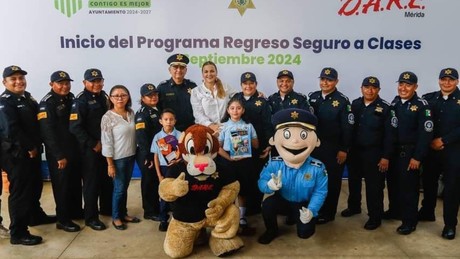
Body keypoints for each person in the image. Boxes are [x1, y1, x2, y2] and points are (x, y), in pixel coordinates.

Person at [0, 65, 54, 245]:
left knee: (34, 185)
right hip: (17, 154)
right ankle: (18, 232)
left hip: (32, 152)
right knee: (20, 192)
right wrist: (30, 146)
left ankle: (34, 215)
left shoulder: (27, 97)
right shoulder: (5, 102)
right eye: (13, 79)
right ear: (4, 82)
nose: (18, 81)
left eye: (21, 78)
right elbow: (12, 130)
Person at [257, 108, 328, 244]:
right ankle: (271, 230)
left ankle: (297, 217)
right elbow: (261, 181)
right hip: (283, 200)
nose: (295, 142)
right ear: (273, 140)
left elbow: (320, 192)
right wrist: (269, 186)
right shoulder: (274, 163)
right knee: (268, 204)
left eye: (303, 135)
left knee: (305, 234)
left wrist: (312, 210)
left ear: (316, 141)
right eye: (288, 134)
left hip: (303, 204)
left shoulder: (317, 167)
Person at [340, 76, 396, 230]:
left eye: (373, 87)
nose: (369, 90)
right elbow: (348, 128)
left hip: (375, 153)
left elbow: (390, 135)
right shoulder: (355, 104)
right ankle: (354, 207)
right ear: (361, 88)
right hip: (355, 152)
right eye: (366, 87)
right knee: (354, 182)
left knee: (374, 187)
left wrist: (386, 157)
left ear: (378, 89)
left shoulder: (385, 108)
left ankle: (375, 217)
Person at [38, 71, 83, 232]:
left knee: (75, 183)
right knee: (62, 186)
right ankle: (63, 220)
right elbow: (47, 133)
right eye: (60, 83)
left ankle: (76, 212)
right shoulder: (47, 103)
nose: (65, 86)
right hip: (59, 153)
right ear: (52, 85)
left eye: (67, 83)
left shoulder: (71, 98)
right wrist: (58, 155)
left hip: (74, 150)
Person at [308, 67, 354, 224]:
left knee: (332, 181)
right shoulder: (313, 97)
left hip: (333, 148)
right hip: (314, 148)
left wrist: (344, 149)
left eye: (329, 80)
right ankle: (315, 209)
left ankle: (328, 213)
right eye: (323, 79)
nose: (325, 82)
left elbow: (348, 128)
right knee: (314, 180)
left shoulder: (342, 101)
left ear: (336, 81)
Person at [389, 71, 433, 235]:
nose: (403, 88)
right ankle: (394, 211)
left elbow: (425, 134)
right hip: (394, 152)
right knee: (393, 185)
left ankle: (409, 221)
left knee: (409, 189)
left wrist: (417, 157)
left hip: (410, 153)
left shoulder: (422, 106)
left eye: (408, 84)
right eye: (401, 84)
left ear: (415, 87)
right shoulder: (395, 102)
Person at [69, 68, 113, 231]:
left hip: (106, 147)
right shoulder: (80, 100)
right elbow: (75, 127)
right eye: (92, 81)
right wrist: (93, 144)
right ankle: (91, 217)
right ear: (84, 83)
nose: (96, 84)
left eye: (99, 81)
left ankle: (107, 208)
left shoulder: (104, 96)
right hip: (90, 150)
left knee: (106, 180)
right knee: (91, 184)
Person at [421, 68, 460, 239]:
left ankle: (450, 225)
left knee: (452, 189)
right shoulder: (429, 98)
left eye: (451, 79)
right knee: (429, 182)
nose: (447, 82)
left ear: (457, 81)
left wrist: (444, 140)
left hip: (453, 152)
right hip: (431, 151)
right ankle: (427, 212)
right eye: (444, 79)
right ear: (439, 80)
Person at [232, 72, 273, 214]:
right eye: (245, 83)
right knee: (243, 177)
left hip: (258, 147)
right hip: (238, 147)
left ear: (256, 84)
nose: (248, 86)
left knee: (257, 177)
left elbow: (268, 124)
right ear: (241, 85)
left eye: (251, 83)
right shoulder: (235, 98)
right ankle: (241, 208)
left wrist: (268, 145)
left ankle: (255, 207)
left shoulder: (262, 102)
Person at [217, 98, 259, 235]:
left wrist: (246, 138)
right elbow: (218, 147)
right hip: (227, 160)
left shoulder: (248, 126)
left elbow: (256, 145)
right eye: (232, 108)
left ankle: (241, 217)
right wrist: (229, 158)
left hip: (245, 160)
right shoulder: (223, 126)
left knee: (243, 189)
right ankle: (227, 216)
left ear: (243, 110)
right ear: (228, 110)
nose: (235, 111)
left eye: (238, 108)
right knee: (228, 189)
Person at [101, 85, 139, 230]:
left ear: (128, 97)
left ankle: (124, 214)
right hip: (117, 159)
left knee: (125, 187)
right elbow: (106, 142)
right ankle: (116, 217)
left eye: (123, 95)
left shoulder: (130, 113)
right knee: (119, 189)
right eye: (116, 95)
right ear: (110, 98)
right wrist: (110, 164)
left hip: (131, 156)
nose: (119, 98)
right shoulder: (107, 117)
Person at [151, 108, 182, 232]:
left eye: (171, 119)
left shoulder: (180, 135)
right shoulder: (157, 137)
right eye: (166, 119)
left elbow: (184, 153)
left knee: (178, 194)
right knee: (164, 195)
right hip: (164, 168)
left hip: (177, 167)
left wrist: (178, 160)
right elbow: (156, 156)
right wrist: (159, 175)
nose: (168, 122)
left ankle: (178, 219)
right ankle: (163, 219)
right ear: (160, 121)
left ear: (175, 121)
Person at [135, 83, 162, 221]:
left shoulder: (157, 110)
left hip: (159, 152)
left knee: (156, 181)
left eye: (155, 94)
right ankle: (149, 211)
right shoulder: (142, 114)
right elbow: (142, 137)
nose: (153, 97)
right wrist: (148, 157)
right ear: (142, 98)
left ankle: (157, 208)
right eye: (149, 95)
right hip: (147, 154)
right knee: (149, 181)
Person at [191, 61, 237, 134]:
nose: (209, 74)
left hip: (225, 128)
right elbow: (198, 114)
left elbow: (239, 97)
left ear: (216, 73)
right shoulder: (196, 92)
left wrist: (256, 94)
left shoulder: (226, 87)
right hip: (205, 130)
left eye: (212, 71)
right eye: (206, 72)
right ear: (202, 74)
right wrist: (211, 125)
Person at [157, 53, 197, 131]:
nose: (178, 70)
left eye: (182, 67)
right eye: (175, 67)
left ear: (186, 70)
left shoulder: (192, 86)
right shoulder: (162, 88)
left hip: (189, 129)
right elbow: (158, 110)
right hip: (170, 131)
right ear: (170, 70)